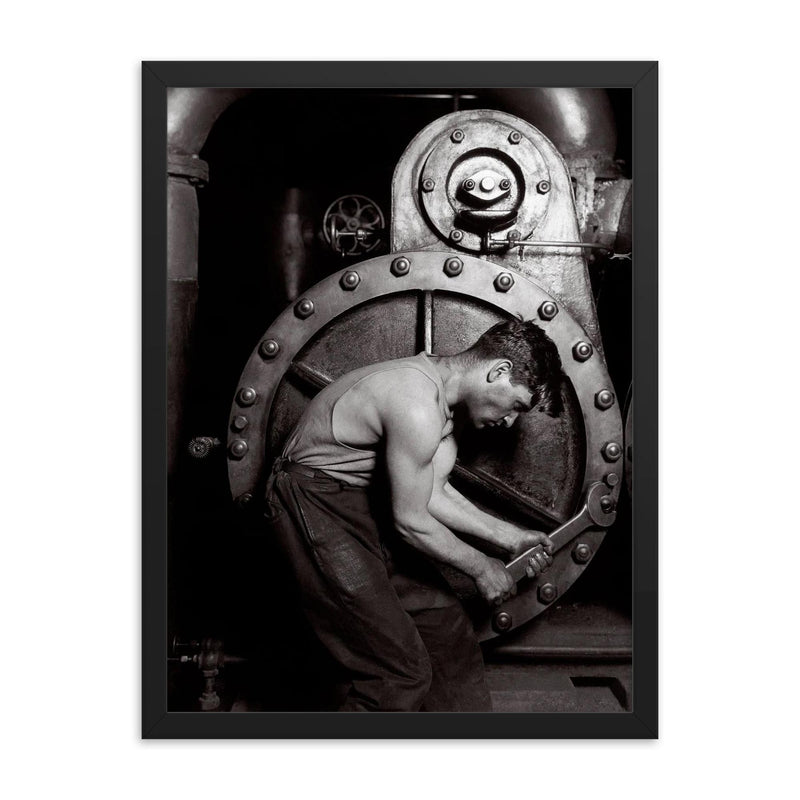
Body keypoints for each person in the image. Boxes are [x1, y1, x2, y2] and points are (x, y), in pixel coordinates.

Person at [266, 318, 564, 711]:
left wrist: (509, 536)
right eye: (517, 406)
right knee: (398, 672)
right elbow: (410, 520)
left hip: (355, 503)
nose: (509, 421)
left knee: (446, 629)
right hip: (311, 503)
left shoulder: (442, 407)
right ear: (499, 371)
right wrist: (481, 567)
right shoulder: (416, 402)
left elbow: (431, 493)